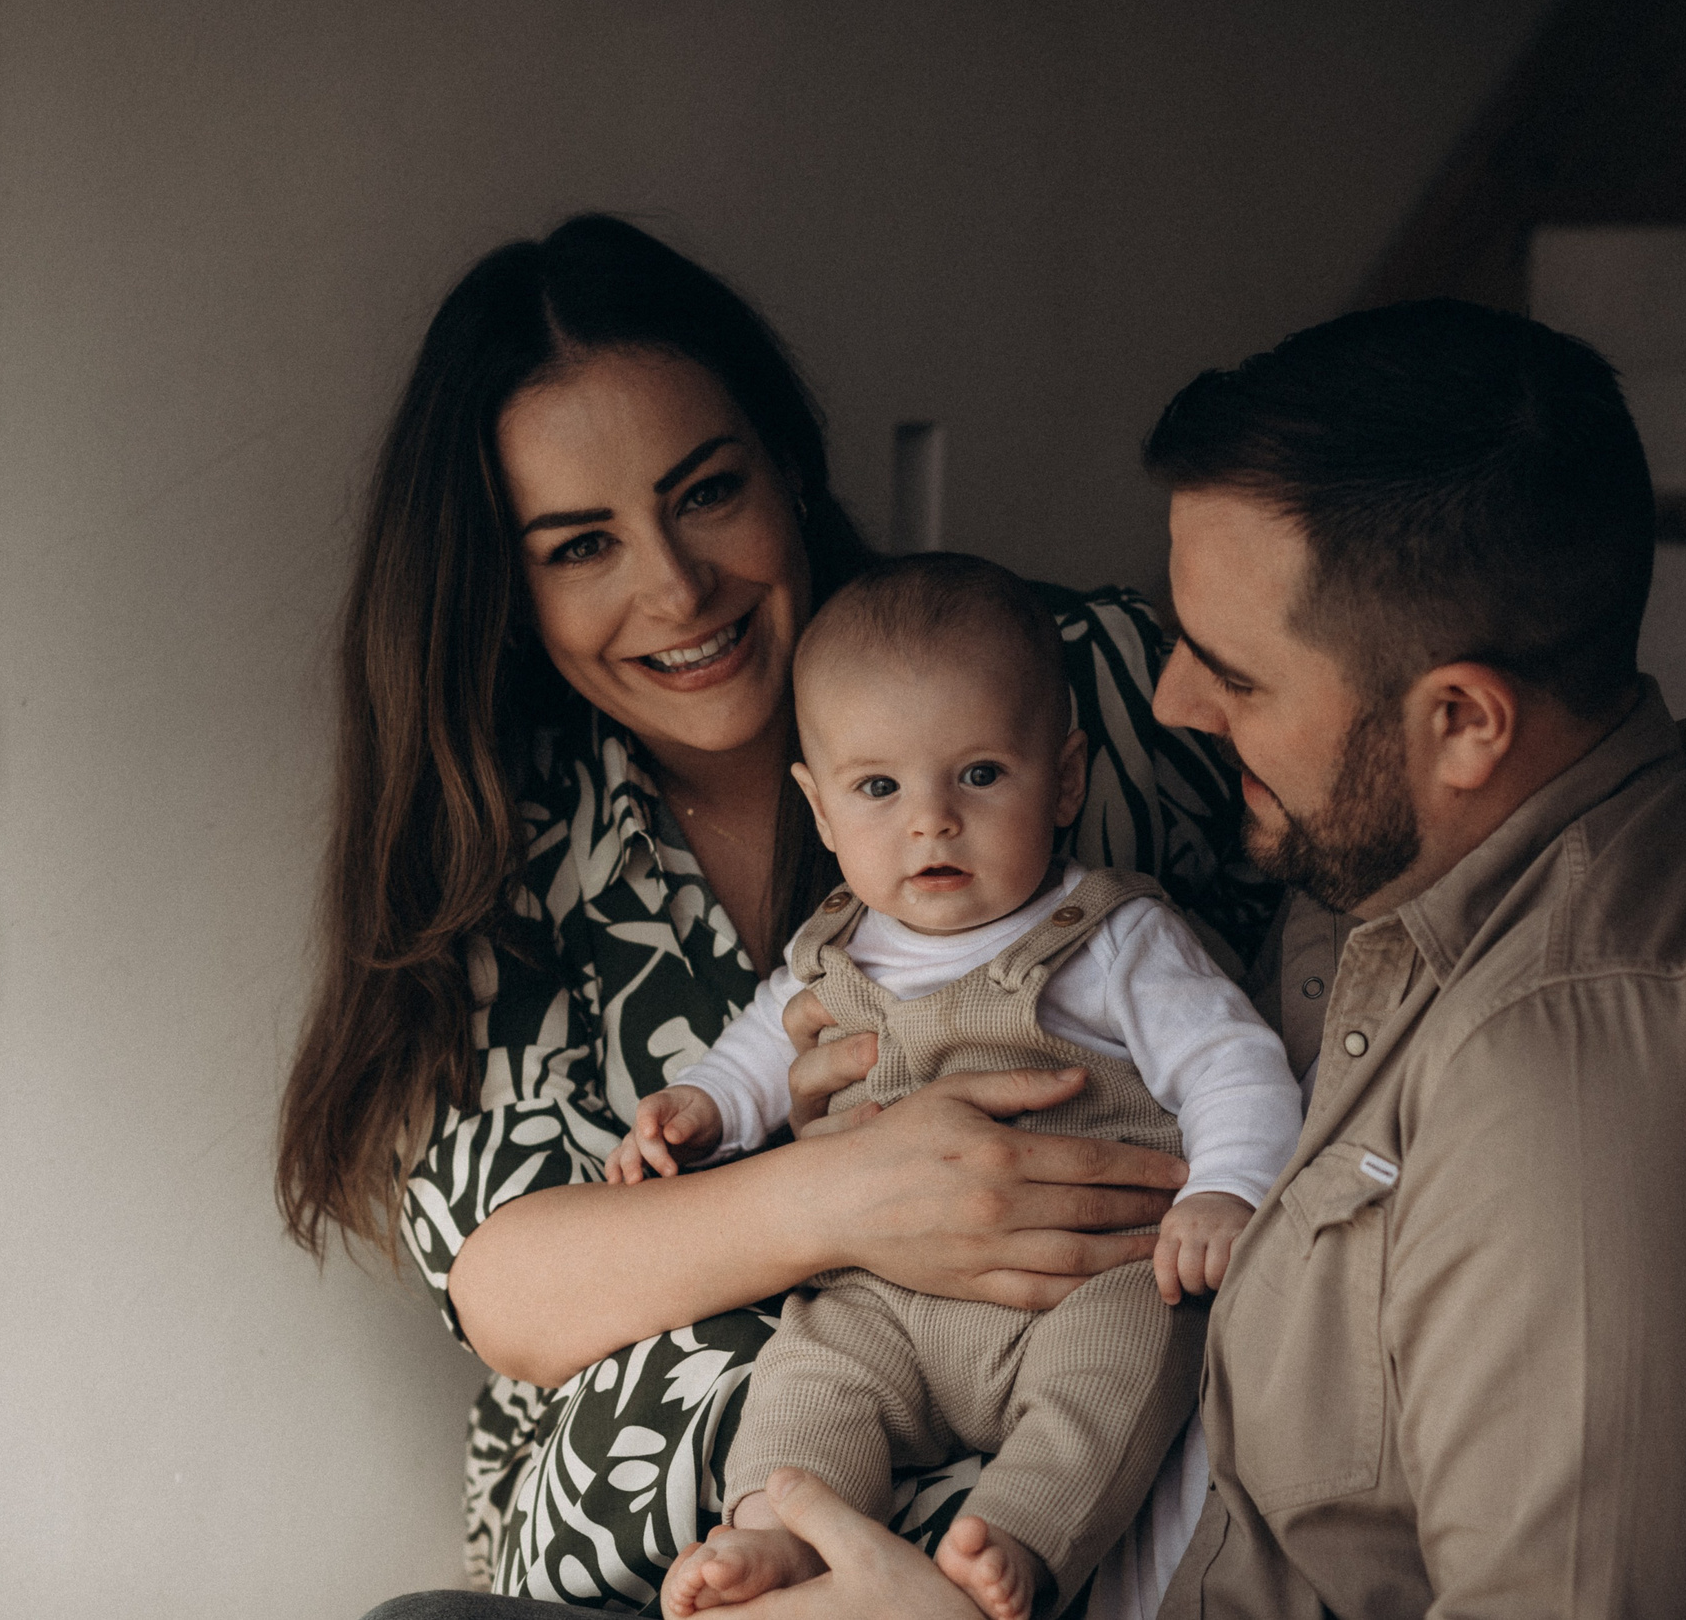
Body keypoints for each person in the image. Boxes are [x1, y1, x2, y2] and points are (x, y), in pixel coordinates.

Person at [688, 300, 1686, 1617]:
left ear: (1465, 721)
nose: (1171, 704)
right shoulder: (1382, 866)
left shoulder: (1546, 1091)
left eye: (1236, 675)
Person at [276, 213, 1278, 1612]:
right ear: (510, 587)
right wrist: (853, 1196)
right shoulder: (503, 841)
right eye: (581, 546)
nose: (677, 588)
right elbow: (512, 1287)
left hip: (1039, 1518)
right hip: (647, 1566)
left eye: (705, 493)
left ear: (787, 469)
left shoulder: (1067, 681)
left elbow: (1370, 863)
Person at [605, 555, 1299, 1620]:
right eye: (879, 787)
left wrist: (1225, 1189)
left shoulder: (1110, 937)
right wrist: (701, 1105)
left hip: (1080, 1280)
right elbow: (757, 1049)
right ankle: (781, 1529)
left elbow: (1231, 1060)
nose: (930, 820)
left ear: (1062, 779)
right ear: (821, 809)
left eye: (978, 774)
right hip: (886, 1297)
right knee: (810, 1371)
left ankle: (1015, 1536)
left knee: (1132, 1358)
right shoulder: (831, 947)